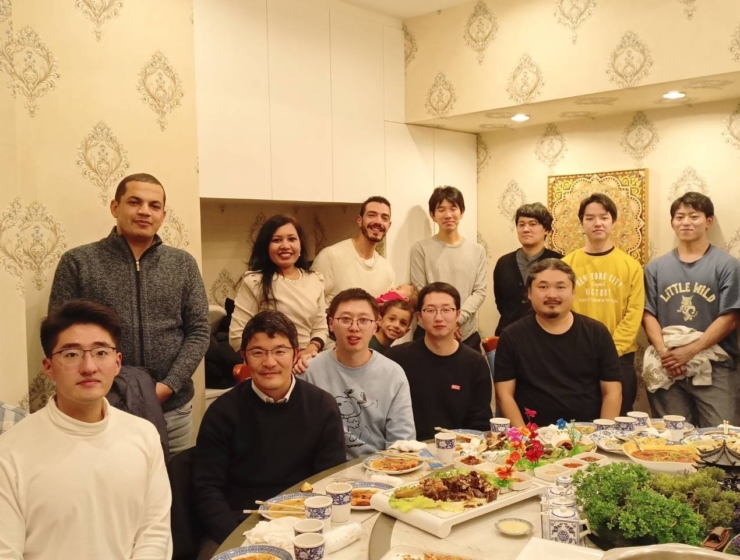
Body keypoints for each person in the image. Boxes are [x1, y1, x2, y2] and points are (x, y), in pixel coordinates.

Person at [48, 173, 209, 454]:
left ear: (163, 215)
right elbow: (59, 336)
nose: (145, 211)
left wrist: (168, 386)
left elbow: (199, 331)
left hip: (173, 409)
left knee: (175, 479)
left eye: (154, 205)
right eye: (135, 202)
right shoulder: (79, 262)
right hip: (105, 409)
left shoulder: (182, 264)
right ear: (115, 207)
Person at [0, 300, 171, 559]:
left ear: (117, 362)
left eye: (101, 352)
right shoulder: (10, 452)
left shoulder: (144, 435)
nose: (89, 367)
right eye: (71, 354)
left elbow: (154, 532)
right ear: (48, 367)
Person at [193, 310, 345, 551]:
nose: (270, 362)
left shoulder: (322, 406)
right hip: (239, 522)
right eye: (258, 352)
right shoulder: (222, 411)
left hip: (305, 522)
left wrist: (310, 528)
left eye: (280, 351)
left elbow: (328, 481)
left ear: (296, 354)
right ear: (244, 357)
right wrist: (240, 539)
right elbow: (206, 488)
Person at [643, 192, 740, 427]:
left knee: (722, 435)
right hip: (668, 365)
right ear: (672, 223)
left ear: (709, 221)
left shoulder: (727, 265)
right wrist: (665, 353)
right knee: (671, 435)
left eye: (694, 216)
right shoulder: (655, 268)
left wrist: (689, 351)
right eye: (680, 217)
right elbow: (648, 314)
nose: (686, 222)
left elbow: (730, 317)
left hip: (716, 367)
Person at [494, 259, 622, 426]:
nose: (552, 295)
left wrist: (603, 434)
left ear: (573, 292)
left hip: (586, 431)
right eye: (543, 287)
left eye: (561, 287)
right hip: (534, 433)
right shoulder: (512, 336)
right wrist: (523, 436)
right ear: (529, 293)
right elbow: (504, 395)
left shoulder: (597, 333)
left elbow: (612, 392)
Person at [304, 288, 415, 458]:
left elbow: (401, 442)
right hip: (325, 468)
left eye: (363, 320)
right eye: (346, 319)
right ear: (331, 324)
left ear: (375, 325)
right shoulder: (309, 370)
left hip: (380, 467)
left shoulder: (393, 374)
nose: (354, 327)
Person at [562, 193, 644, 414]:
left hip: (619, 358)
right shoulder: (566, 265)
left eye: (604, 217)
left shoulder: (631, 266)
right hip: (575, 356)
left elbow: (634, 313)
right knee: (576, 421)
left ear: (613, 221)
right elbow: (561, 311)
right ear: (581, 222)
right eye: (590, 218)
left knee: (618, 421)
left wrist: (610, 350)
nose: (597, 223)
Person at [385, 282, 492, 440]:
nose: (439, 317)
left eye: (446, 310)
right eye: (430, 310)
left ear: (457, 314)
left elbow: (480, 424)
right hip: (407, 449)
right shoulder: (396, 358)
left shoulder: (475, 363)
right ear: (419, 317)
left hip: (460, 449)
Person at [229, 215, 328, 373]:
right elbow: (237, 336)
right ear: (266, 246)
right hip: (271, 365)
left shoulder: (315, 279)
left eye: (292, 239)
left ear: (300, 244)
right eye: (276, 240)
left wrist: (309, 350)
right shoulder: (254, 281)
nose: (285, 246)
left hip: (308, 363)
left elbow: (320, 328)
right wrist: (273, 357)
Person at [410, 186, 487, 350]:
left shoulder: (477, 250)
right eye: (441, 209)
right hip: (429, 333)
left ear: (461, 212)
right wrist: (445, 321)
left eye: (453, 208)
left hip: (466, 334)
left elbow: (479, 291)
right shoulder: (421, 248)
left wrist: (456, 321)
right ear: (433, 215)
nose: (448, 215)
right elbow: (419, 290)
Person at [493, 203, 562, 336]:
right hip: (508, 334)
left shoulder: (559, 262)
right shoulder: (504, 263)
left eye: (532, 224)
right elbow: (500, 302)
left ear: (547, 230)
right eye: (521, 224)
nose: (526, 229)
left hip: (547, 334)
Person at [311, 196, 395, 304]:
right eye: (372, 215)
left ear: (389, 225)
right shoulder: (330, 257)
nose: (378, 221)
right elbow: (312, 304)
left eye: (384, 218)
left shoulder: (386, 269)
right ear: (359, 220)